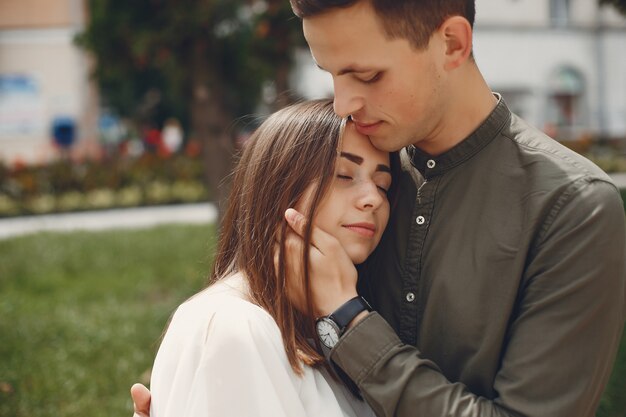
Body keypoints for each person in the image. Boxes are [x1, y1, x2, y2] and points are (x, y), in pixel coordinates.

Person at [133, 1, 626, 416]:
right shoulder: (359, 168)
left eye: (366, 74)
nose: (344, 103)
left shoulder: (572, 208)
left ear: (452, 43)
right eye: (330, 74)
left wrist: (350, 323)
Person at [147, 99, 400, 417]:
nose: (373, 198)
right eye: (344, 175)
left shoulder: (327, 321)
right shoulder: (235, 327)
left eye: (383, 184)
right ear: (278, 187)